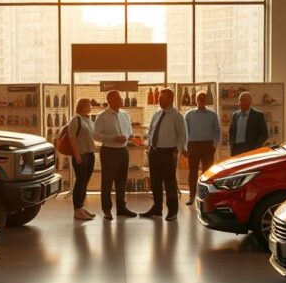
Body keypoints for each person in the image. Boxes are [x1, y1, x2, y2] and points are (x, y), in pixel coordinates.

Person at [141, 88, 188, 222]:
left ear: (170, 99)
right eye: (159, 98)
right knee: (155, 182)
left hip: (169, 153)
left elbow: (182, 136)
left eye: (161, 98)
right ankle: (157, 209)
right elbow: (150, 132)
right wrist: (149, 145)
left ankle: (172, 211)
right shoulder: (156, 114)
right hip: (154, 152)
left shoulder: (177, 116)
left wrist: (176, 151)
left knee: (170, 183)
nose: (158, 99)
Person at [93, 90, 137, 220]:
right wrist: (114, 138)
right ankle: (106, 209)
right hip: (109, 151)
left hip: (123, 151)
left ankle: (121, 208)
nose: (121, 100)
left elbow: (129, 131)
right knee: (107, 181)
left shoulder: (125, 114)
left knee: (121, 181)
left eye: (120, 98)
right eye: (117, 98)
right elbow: (96, 135)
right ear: (110, 100)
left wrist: (129, 137)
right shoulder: (102, 116)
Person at [183, 91, 221, 205]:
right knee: (193, 172)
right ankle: (191, 195)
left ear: (206, 101)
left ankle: (205, 197)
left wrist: (214, 145)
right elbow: (185, 132)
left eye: (203, 99)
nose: (201, 100)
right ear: (196, 100)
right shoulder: (189, 114)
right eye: (199, 98)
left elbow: (217, 132)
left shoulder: (212, 115)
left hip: (207, 146)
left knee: (207, 172)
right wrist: (185, 147)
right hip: (193, 146)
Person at [67, 98, 96, 221]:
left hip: (90, 154)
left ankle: (81, 207)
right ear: (82, 106)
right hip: (81, 155)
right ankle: (76, 210)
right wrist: (77, 155)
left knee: (85, 182)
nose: (90, 107)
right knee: (80, 182)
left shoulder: (89, 120)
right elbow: (72, 138)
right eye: (88, 105)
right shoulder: (76, 120)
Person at [229, 91, 268, 156]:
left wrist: (256, 147)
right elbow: (231, 132)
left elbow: (264, 134)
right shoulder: (235, 115)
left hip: (250, 149)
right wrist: (231, 146)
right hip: (236, 149)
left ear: (249, 102)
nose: (239, 103)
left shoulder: (258, 115)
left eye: (242, 100)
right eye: (239, 100)